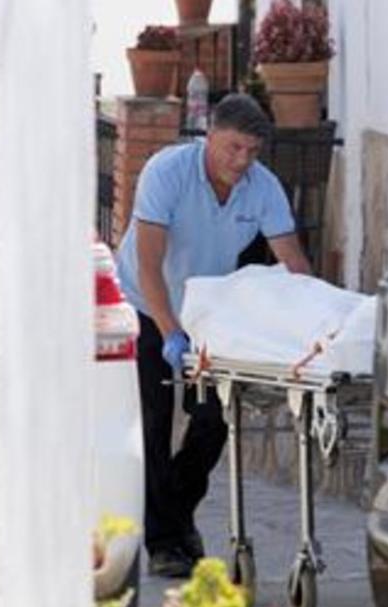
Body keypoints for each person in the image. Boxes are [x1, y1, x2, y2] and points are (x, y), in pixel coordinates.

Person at [115, 94, 312, 577]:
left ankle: (175, 512)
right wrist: (167, 333)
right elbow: (148, 263)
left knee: (212, 419)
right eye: (233, 148)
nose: (241, 161)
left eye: (252, 152)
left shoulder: (262, 188)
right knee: (153, 425)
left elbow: (294, 263)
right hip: (145, 303)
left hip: (207, 310)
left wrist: (314, 327)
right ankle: (164, 543)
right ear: (209, 136)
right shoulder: (167, 173)